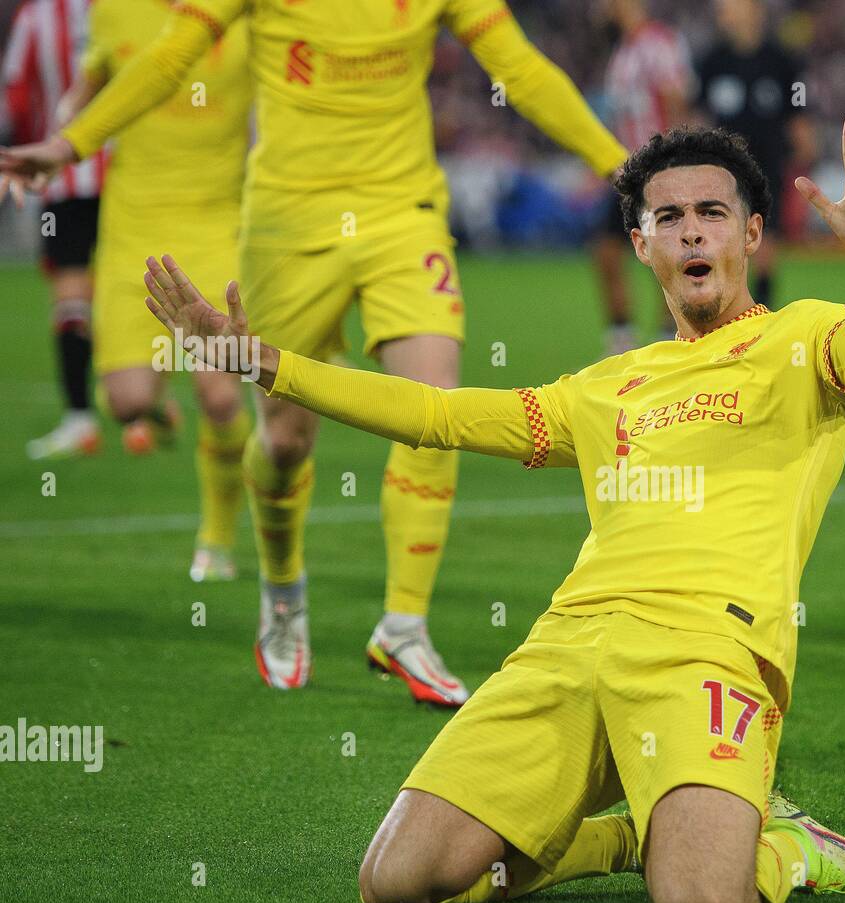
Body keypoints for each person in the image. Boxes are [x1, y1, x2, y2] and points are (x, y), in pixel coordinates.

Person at [142, 113, 845, 903]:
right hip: (570, 642)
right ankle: (628, 837)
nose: (691, 233)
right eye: (668, 218)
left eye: (712, 214)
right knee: (398, 877)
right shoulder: (603, 385)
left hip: (707, 647)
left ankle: (789, 845)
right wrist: (265, 363)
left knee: (703, 900)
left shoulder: (803, 340)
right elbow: (435, 415)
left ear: (752, 233)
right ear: (642, 244)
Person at [1, 0, 628, 701]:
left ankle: (404, 625)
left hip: (402, 214)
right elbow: (169, 57)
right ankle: (282, 587)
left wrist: (619, 164)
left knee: (435, 406)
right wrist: (70, 144)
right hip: (286, 227)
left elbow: (521, 69)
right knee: (287, 439)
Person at [69, 0, 252, 581]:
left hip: (218, 226)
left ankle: (217, 539)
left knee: (222, 399)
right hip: (133, 231)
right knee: (126, 405)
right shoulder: (113, 12)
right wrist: (61, 138)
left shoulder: (247, 14)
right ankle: (157, 411)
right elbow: (84, 92)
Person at [2, 0, 106, 461]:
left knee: (71, 296)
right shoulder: (131, 10)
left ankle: (81, 418)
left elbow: (16, 97)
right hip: (132, 177)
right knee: (150, 286)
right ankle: (145, 408)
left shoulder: (35, 17)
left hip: (63, 177)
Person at [695, 0, 815, 309]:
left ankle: (761, 311)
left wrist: (803, 150)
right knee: (721, 238)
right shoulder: (712, 61)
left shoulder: (782, 61)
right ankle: (720, 307)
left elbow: (797, 115)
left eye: (730, 5)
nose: (723, 11)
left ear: (753, 9)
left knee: (763, 238)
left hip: (766, 167)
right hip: (721, 169)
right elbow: (698, 116)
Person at [592, 0, 693, 353]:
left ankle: (671, 335)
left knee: (661, 249)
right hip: (625, 167)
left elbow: (675, 98)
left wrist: (674, 158)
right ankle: (621, 339)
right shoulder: (623, 50)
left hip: (655, 166)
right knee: (606, 250)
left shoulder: (657, 43)